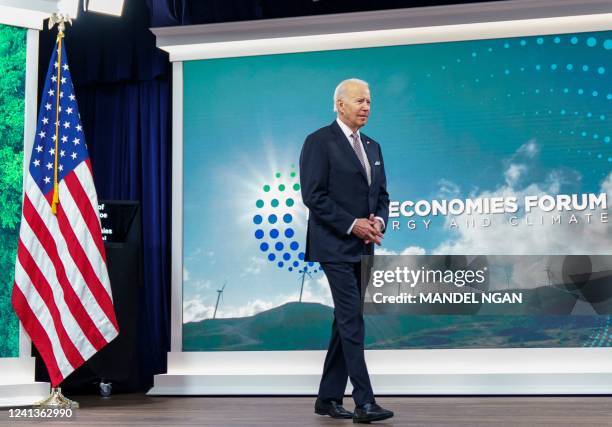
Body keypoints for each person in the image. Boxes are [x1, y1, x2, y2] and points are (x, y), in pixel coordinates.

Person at [299, 78, 393, 423]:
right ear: (340, 104)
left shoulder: (373, 146)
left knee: (345, 320)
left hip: (365, 245)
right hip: (334, 244)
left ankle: (327, 399)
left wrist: (378, 223)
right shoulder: (318, 142)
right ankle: (364, 402)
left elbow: (382, 196)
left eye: (369, 101)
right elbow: (313, 195)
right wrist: (353, 224)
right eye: (359, 101)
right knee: (352, 318)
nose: (366, 106)